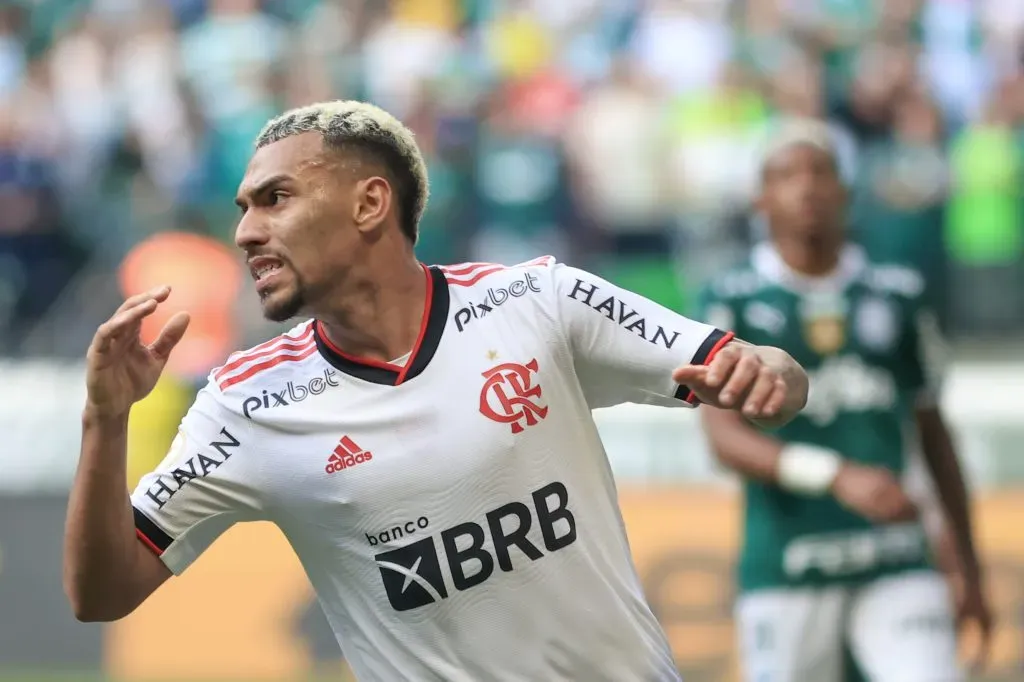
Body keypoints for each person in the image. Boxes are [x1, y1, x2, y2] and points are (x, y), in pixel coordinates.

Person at [63, 100, 810, 681]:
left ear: (369, 204)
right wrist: (105, 420)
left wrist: (769, 369)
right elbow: (100, 594)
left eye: (276, 198)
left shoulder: (540, 302)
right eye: (244, 209)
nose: (247, 232)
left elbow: (755, 368)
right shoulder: (246, 403)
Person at [698, 119, 994, 682]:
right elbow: (724, 439)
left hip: (898, 559)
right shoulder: (729, 298)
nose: (805, 186)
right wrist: (834, 475)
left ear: (846, 191)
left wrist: (971, 571)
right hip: (786, 565)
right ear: (761, 198)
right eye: (786, 174)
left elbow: (934, 434)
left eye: (820, 171)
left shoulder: (899, 293)